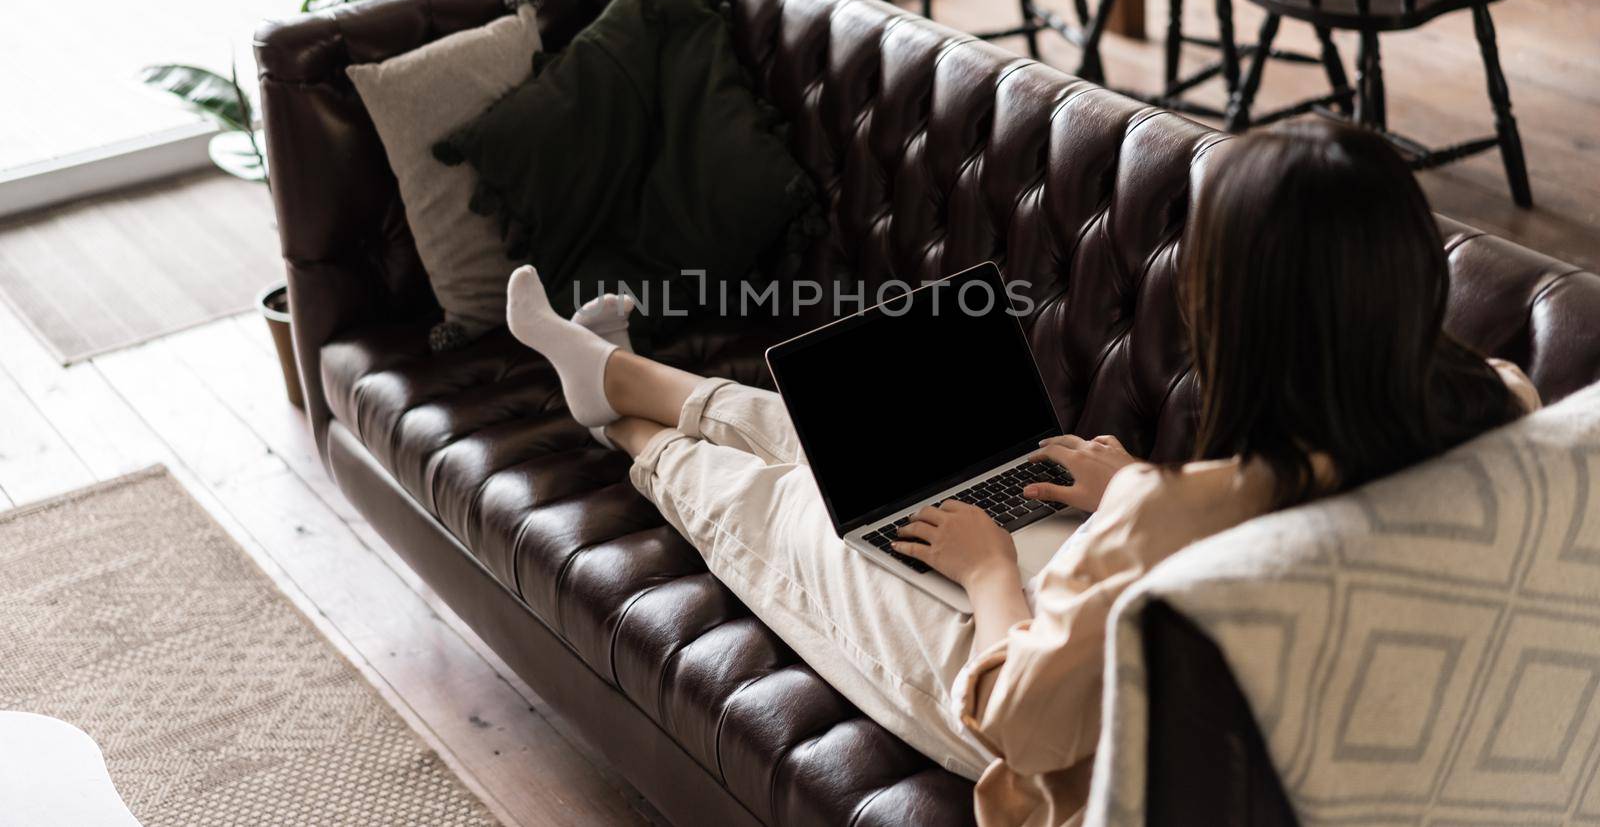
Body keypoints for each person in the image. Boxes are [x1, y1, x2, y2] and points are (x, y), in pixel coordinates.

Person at [504, 118, 1540, 827]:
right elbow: (1294, 505)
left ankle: (627, 431)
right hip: (1131, 622)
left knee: (803, 512)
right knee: (887, 461)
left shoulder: (1174, 517)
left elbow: (1018, 721)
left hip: (1039, 716)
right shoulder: (1502, 403)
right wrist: (1131, 481)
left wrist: (990, 568)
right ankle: (617, 371)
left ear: (1242, 313)